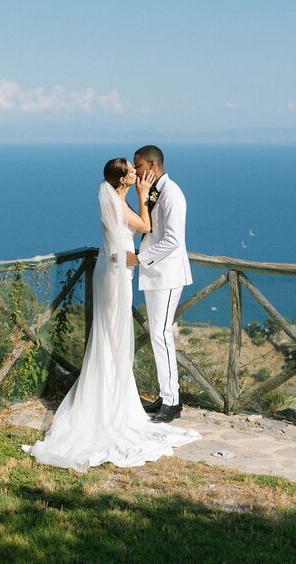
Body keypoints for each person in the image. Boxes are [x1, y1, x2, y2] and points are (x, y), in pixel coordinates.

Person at [23, 157, 198, 471]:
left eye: (136, 168)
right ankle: (112, 401)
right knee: (114, 334)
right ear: (122, 181)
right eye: (131, 171)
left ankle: (108, 393)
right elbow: (145, 226)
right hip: (117, 274)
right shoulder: (119, 204)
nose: (135, 173)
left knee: (108, 334)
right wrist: (144, 197)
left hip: (109, 268)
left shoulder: (112, 198)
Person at [126, 145, 192, 423]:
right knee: (157, 334)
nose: (136, 171)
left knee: (162, 335)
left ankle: (173, 401)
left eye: (138, 166)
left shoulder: (172, 193)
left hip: (166, 276)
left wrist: (141, 258)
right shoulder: (155, 191)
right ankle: (166, 396)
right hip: (155, 275)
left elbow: (174, 239)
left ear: (152, 165)